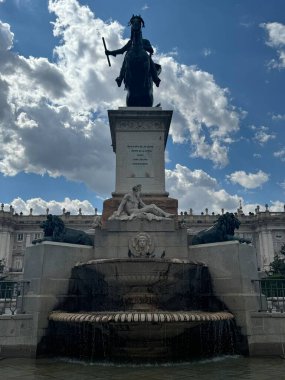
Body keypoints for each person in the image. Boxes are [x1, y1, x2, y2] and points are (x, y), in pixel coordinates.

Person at [105, 15, 161, 88]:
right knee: (126, 58)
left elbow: (151, 49)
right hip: (129, 59)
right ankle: (120, 78)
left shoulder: (145, 41)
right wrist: (110, 52)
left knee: (149, 59)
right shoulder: (130, 43)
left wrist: (142, 46)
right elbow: (121, 50)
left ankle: (156, 79)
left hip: (144, 59)